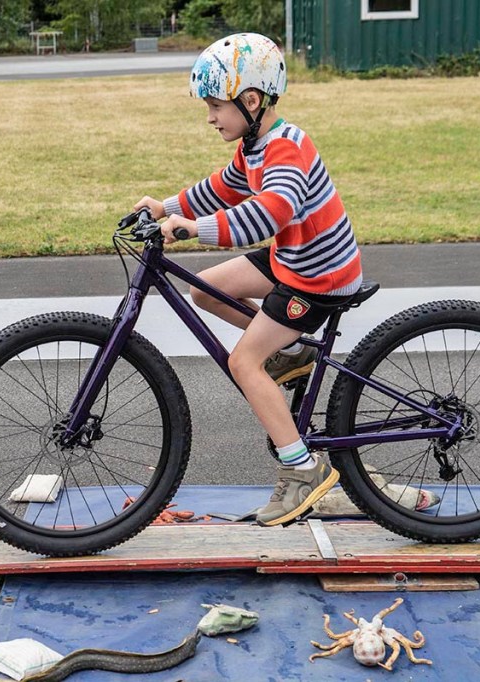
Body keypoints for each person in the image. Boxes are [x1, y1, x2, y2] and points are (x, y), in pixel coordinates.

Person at [134, 33, 363, 526]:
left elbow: (268, 217)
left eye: (217, 105)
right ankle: (295, 353)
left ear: (251, 100)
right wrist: (167, 207)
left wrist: (193, 230)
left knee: (244, 362)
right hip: (294, 259)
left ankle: (302, 470)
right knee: (205, 288)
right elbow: (223, 188)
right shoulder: (255, 147)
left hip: (318, 276)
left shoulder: (286, 150)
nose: (211, 116)